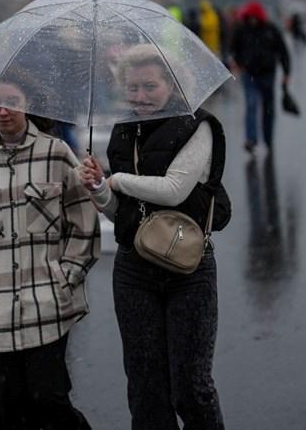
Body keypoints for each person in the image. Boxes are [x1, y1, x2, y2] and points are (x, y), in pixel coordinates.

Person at [78, 44, 228, 429]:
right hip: (134, 269)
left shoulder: (199, 126)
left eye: (150, 86)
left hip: (188, 268)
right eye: (132, 88)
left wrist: (116, 178)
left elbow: (174, 190)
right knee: (146, 389)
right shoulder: (123, 132)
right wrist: (99, 188)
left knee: (190, 387)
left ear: (172, 85)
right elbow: (121, 212)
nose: (140, 96)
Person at [0, 79, 100, 430]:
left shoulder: (56, 153)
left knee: (49, 402)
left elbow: (83, 222)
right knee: (6, 413)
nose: (2, 112)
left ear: (28, 103)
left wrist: (66, 278)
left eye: (11, 102)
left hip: (47, 305)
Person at [229, 0, 291, 154]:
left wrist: (286, 73)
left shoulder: (271, 30)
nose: (252, 20)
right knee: (251, 105)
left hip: (267, 75)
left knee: (268, 109)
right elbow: (234, 49)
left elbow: (283, 52)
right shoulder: (242, 30)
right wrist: (238, 63)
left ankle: (268, 140)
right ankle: (251, 140)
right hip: (249, 74)